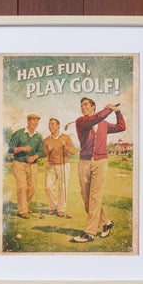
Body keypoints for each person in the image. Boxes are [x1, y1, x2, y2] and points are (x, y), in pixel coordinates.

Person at [70, 96, 125, 242]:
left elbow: (121, 127)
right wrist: (109, 108)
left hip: (101, 162)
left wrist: (117, 112)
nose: (83, 107)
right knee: (86, 197)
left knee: (95, 197)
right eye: (81, 105)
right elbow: (95, 119)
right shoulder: (81, 121)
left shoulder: (104, 124)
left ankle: (89, 233)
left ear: (93, 106)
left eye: (86, 104)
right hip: (84, 162)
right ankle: (106, 223)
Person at [3, 113, 43, 220]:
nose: (36, 122)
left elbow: (41, 151)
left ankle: (26, 205)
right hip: (19, 164)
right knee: (22, 187)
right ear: (28, 121)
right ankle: (23, 210)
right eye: (34, 120)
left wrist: (35, 157)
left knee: (32, 188)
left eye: (37, 121)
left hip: (32, 165)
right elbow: (9, 149)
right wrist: (22, 148)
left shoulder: (39, 136)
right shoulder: (19, 134)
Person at [41, 116, 76, 216]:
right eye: (49, 124)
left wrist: (65, 146)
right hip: (51, 166)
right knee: (48, 187)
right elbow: (43, 154)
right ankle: (53, 206)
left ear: (58, 126)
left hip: (63, 165)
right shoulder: (46, 140)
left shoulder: (66, 137)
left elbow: (73, 151)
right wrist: (48, 150)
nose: (50, 126)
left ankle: (61, 209)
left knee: (62, 188)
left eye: (52, 124)